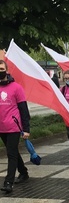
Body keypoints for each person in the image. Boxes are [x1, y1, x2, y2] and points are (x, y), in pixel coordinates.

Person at [0, 59, 30, 193]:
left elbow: (23, 109)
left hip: (13, 126)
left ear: (6, 70)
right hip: (1, 127)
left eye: (1, 69)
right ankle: (23, 171)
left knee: (11, 153)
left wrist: (26, 129)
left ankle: (8, 182)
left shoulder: (16, 87)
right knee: (13, 151)